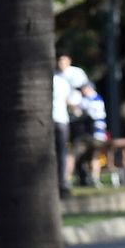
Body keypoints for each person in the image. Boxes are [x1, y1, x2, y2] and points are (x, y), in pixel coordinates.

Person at [51, 54, 88, 195]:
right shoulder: (60, 80)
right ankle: (63, 181)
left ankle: (66, 179)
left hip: (65, 119)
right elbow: (71, 101)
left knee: (62, 151)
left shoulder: (74, 74)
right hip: (61, 119)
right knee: (62, 151)